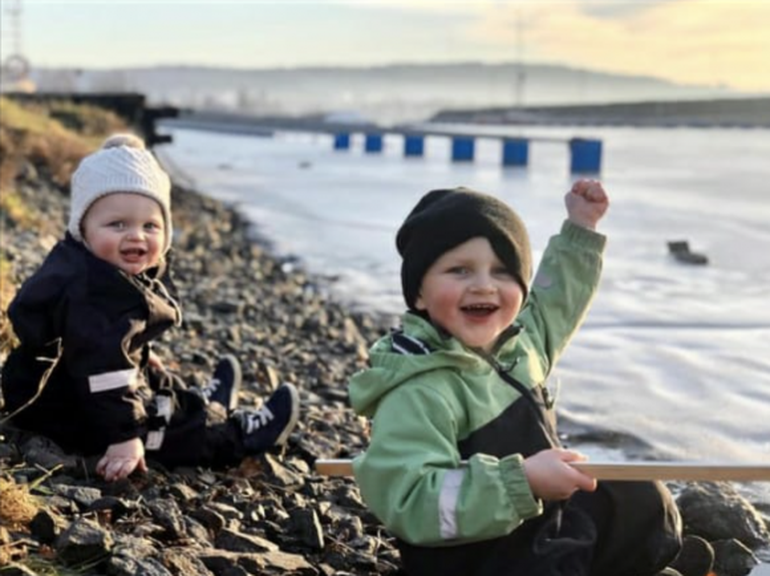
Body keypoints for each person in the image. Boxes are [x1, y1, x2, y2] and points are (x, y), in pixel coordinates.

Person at [348, 182, 683, 576]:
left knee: (640, 498)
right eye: (459, 270)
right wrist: (520, 483)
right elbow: (412, 502)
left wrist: (581, 227)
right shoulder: (419, 389)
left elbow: (556, 302)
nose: (484, 285)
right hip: (474, 555)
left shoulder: (521, 347)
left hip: (536, 520)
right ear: (418, 293)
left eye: (503, 271)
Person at [1, 133, 300, 482]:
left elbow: (113, 339)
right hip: (74, 413)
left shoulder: (92, 266)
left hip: (63, 389)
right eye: (118, 224)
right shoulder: (93, 290)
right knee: (165, 426)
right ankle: (235, 436)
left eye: (150, 226)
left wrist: (141, 351)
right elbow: (104, 372)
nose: (136, 236)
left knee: (151, 375)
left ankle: (203, 404)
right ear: (83, 227)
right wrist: (124, 438)